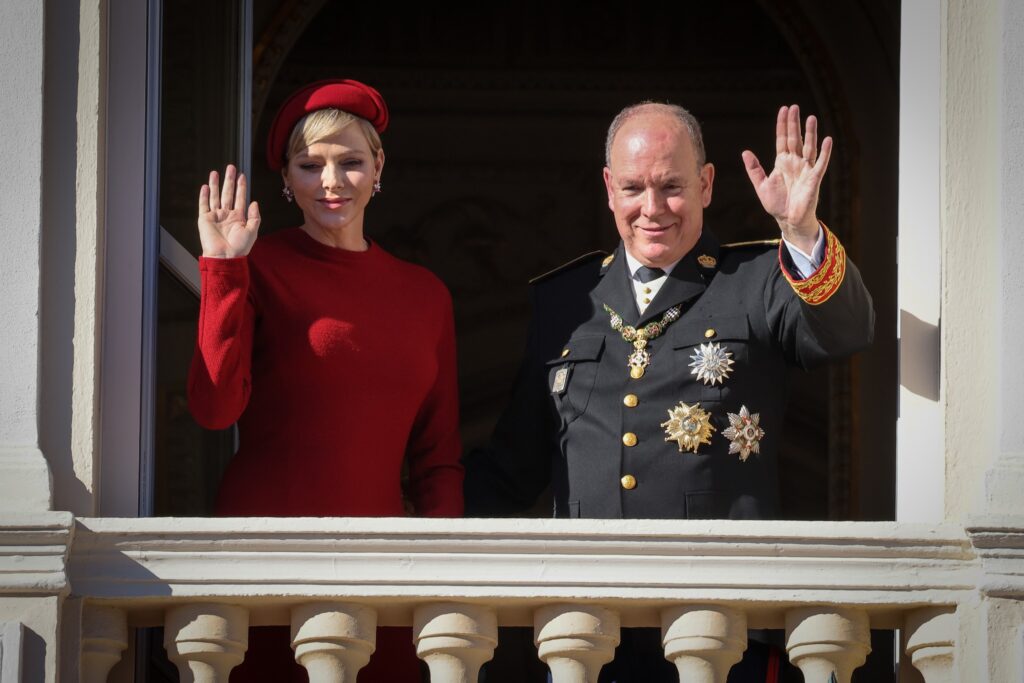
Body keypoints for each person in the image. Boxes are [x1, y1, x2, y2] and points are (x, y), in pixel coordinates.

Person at [464, 103, 874, 681]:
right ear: (609, 188)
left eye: (672, 187)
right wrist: (398, 513)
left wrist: (801, 231)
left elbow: (848, 331)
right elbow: (514, 466)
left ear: (706, 184)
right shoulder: (565, 300)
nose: (651, 209)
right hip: (586, 629)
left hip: (722, 624)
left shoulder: (759, 280)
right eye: (633, 187)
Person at [188, 79, 463, 682]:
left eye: (350, 162)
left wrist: (446, 573)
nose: (331, 182)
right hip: (263, 555)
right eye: (309, 165)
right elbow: (212, 408)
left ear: (379, 166)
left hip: (384, 565)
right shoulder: (259, 265)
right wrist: (224, 269)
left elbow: (437, 458)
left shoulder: (425, 295)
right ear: (285, 179)